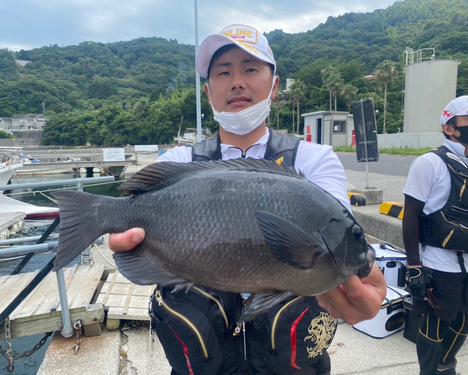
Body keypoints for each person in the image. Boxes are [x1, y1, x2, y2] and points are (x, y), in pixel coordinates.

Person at [110, 24, 386, 375]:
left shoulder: (315, 159)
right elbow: (135, 218)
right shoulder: (177, 164)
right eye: (223, 72)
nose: (237, 81)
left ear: (273, 85)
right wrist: (121, 232)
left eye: (250, 69)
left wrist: (357, 274)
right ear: (209, 92)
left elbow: (331, 237)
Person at [402, 96, 468, 375]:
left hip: (465, 262)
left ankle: (444, 364)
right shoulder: (429, 162)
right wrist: (414, 266)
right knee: (435, 322)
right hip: (438, 262)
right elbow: (411, 215)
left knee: (463, 322)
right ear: (449, 127)